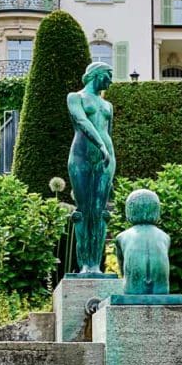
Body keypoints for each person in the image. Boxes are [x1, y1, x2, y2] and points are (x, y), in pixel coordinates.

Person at [67, 61, 115, 274]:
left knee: (99, 210)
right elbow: (81, 121)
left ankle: (96, 265)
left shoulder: (108, 106)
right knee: (84, 210)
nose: (111, 80)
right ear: (97, 75)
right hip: (81, 157)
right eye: (108, 75)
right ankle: (85, 264)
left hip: (106, 159)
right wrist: (101, 144)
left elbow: (108, 132)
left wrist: (107, 151)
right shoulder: (75, 97)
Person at [115, 189, 170, 294]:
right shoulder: (165, 237)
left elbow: (123, 271)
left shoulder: (121, 237)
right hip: (161, 290)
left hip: (132, 289)